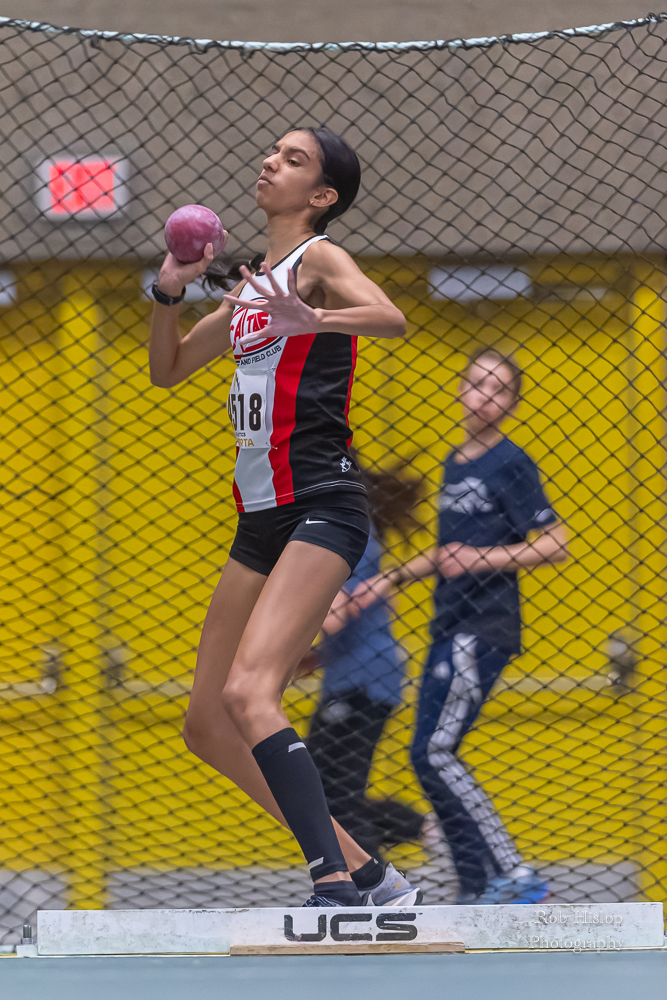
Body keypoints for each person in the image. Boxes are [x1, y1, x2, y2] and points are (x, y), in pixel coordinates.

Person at [148, 125, 421, 908]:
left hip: (322, 505)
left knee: (250, 695)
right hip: (259, 520)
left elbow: (390, 318)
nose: (271, 161)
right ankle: (371, 875)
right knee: (206, 726)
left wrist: (316, 321)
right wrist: (169, 290)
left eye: (293, 159)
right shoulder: (251, 291)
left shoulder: (316, 262)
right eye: (272, 151)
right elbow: (167, 369)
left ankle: (332, 882)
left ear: (321, 195)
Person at [350, 349, 569, 904]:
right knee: (424, 755)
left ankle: (515, 875)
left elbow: (555, 543)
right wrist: (389, 579)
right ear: (460, 389)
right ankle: (475, 886)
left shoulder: (511, 462)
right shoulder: (454, 462)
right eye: (477, 384)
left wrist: (482, 559)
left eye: (498, 390)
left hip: (483, 624)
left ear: (512, 403)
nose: (484, 397)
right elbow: (448, 552)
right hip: (447, 624)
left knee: (437, 752)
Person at [297, 462, 425, 861]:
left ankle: (376, 877)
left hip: (364, 680)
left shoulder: (346, 533)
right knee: (321, 787)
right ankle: (423, 829)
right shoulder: (348, 529)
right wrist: (315, 657)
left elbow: (337, 612)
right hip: (354, 675)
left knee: (333, 790)